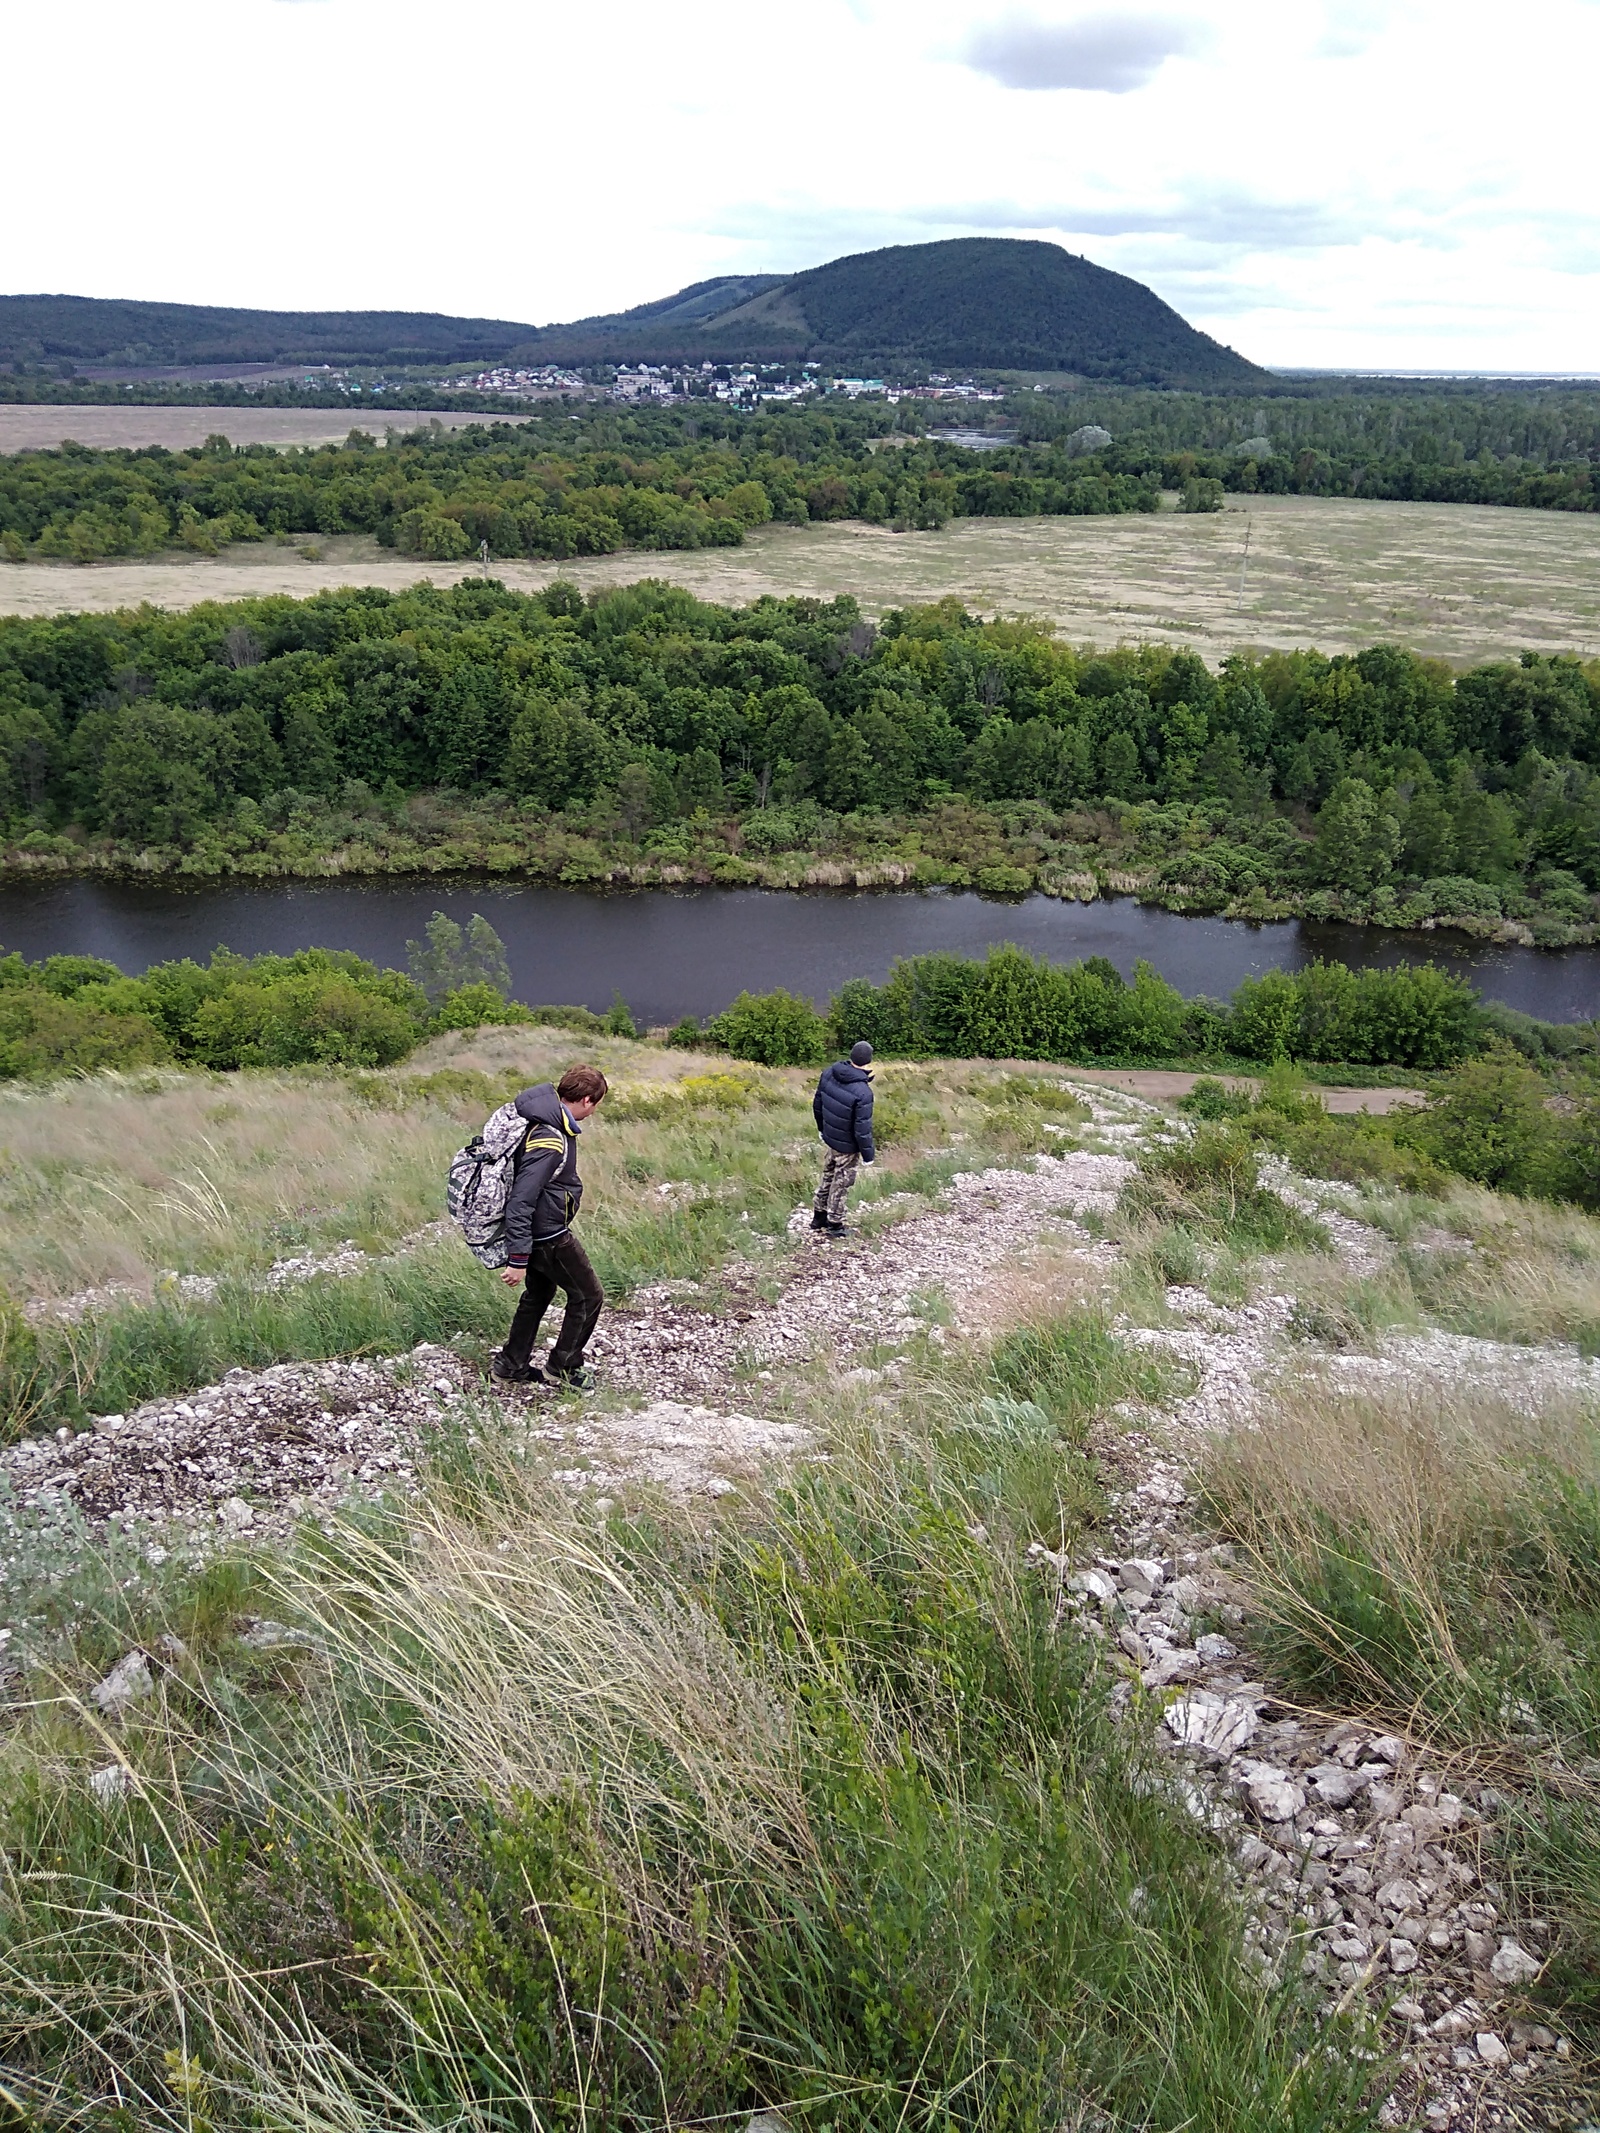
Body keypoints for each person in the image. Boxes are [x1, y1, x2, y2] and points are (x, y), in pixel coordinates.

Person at [491, 1063, 608, 1392]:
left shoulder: (547, 1121)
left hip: (540, 1232)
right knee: (588, 1296)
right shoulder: (550, 1139)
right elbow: (521, 1200)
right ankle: (563, 1367)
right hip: (548, 1236)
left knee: (539, 1293)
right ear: (586, 1100)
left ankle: (510, 1366)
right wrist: (517, 1257)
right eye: (596, 1104)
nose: (595, 1111)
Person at [811, 1039, 875, 1236]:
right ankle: (835, 1225)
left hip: (830, 1137)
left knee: (828, 1175)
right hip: (847, 1146)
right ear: (868, 1061)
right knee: (842, 1182)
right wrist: (868, 1154)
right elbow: (862, 1128)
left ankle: (818, 1217)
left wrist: (822, 1129)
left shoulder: (830, 1072)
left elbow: (817, 1103)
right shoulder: (863, 1092)